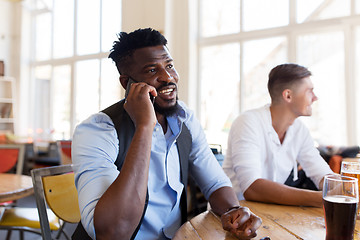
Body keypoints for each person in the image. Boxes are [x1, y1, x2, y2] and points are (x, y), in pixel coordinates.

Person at [71, 28, 261, 240]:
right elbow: (112, 232)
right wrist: (144, 126)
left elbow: (215, 183)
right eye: (152, 70)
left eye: (169, 66)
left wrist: (233, 212)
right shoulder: (98, 130)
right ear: (127, 83)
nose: (168, 77)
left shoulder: (184, 119)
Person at [222, 63, 333, 207]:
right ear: (288, 95)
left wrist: (341, 189)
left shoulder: (300, 131)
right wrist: (322, 199)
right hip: (231, 217)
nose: (315, 97)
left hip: (269, 215)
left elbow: (322, 174)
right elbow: (252, 188)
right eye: (310, 91)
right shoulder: (248, 122)